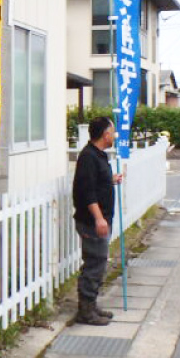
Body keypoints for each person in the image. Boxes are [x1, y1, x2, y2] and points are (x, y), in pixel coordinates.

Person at [72, 117, 123, 326]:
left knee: (98, 262)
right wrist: (99, 218)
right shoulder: (88, 157)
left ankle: (91, 305)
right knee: (94, 263)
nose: (114, 135)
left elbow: (97, 182)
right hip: (92, 221)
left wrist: (111, 180)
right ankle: (85, 310)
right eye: (112, 131)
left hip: (101, 219)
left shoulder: (98, 155)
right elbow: (87, 191)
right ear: (105, 134)